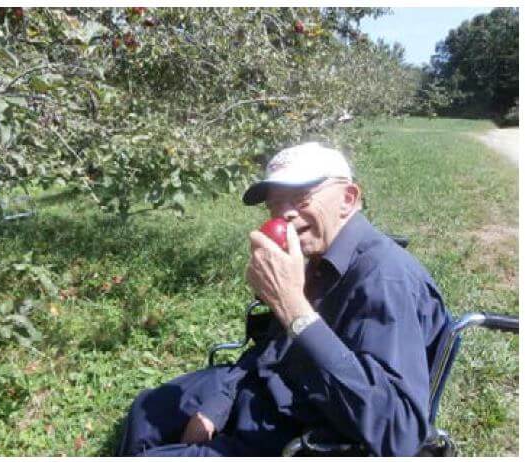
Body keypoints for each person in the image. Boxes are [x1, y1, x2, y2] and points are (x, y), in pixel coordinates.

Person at [116, 141, 452, 456]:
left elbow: (399, 431)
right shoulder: (319, 258)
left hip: (298, 428)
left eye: (301, 198)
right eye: (275, 203)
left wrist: (293, 307)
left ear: (348, 199)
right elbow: (270, 349)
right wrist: (218, 404)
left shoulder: (384, 280)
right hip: (261, 387)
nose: (284, 214)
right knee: (147, 411)